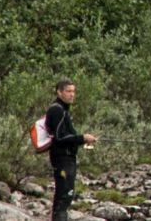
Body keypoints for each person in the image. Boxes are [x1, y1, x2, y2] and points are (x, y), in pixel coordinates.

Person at [46, 79, 97, 221]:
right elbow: (59, 138)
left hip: (66, 159)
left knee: (64, 195)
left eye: (73, 91)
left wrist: (83, 139)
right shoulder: (57, 110)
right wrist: (82, 138)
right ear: (59, 92)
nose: (72, 95)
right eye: (68, 91)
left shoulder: (63, 110)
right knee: (64, 195)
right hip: (62, 160)